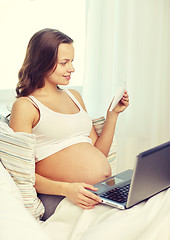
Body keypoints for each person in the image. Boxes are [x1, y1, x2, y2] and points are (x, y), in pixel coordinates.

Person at [9, 28, 129, 212]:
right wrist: (68, 189)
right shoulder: (26, 106)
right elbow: (21, 172)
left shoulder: (74, 96)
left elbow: (98, 153)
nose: (71, 69)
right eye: (64, 63)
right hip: (61, 196)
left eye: (72, 61)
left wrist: (112, 115)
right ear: (42, 63)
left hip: (94, 191)